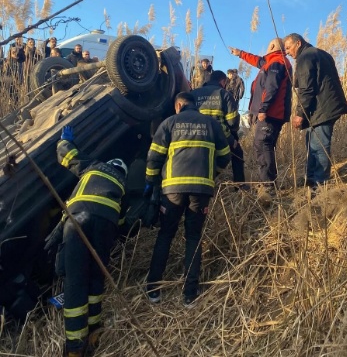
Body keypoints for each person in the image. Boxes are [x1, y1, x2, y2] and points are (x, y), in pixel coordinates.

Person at [145, 92, 230, 307]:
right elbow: (225, 156)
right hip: (201, 190)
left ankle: (154, 290)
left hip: (172, 189)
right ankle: (190, 294)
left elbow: (154, 156)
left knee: (165, 235)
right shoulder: (211, 124)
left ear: (179, 105)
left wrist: (152, 181)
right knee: (193, 237)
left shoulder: (169, 123)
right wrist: (212, 174)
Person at [56, 125, 128, 357]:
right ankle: (94, 331)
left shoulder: (94, 166)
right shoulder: (121, 187)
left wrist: (64, 140)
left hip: (78, 219)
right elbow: (122, 222)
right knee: (96, 277)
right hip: (105, 224)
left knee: (76, 280)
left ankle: (75, 347)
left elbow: (67, 155)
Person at [284, 33, 347, 187]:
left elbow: (306, 89)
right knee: (311, 145)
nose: (287, 52)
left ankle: (320, 184)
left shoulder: (305, 58)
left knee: (319, 147)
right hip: (325, 107)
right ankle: (311, 179)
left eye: (288, 47)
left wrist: (300, 114)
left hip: (322, 109)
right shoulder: (322, 54)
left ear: (298, 43)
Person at [229, 38, 292, 193]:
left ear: (272, 46)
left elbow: (272, 88)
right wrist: (240, 54)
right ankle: (269, 183)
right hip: (272, 113)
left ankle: (268, 186)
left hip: (271, 114)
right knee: (265, 146)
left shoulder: (277, 62)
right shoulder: (272, 61)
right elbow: (258, 61)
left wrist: (263, 109)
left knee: (262, 145)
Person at [191, 70, 246, 188]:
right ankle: (240, 185)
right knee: (237, 153)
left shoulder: (194, 93)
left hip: (194, 134)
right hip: (219, 135)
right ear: (222, 81)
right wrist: (232, 137)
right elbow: (232, 122)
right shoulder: (225, 94)